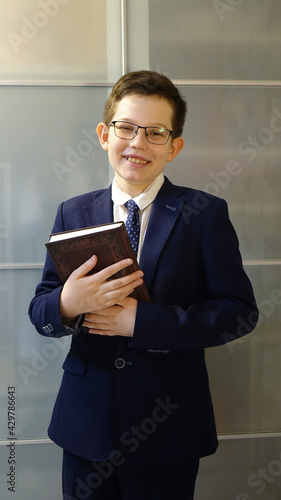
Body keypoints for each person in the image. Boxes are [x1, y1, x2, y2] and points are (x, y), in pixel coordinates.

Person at [29, 70, 259, 500]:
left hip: (167, 427)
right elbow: (40, 310)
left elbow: (239, 313)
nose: (137, 143)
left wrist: (143, 323)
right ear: (104, 134)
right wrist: (67, 302)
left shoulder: (204, 213)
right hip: (85, 423)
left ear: (174, 147)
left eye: (155, 133)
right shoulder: (73, 212)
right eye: (126, 128)